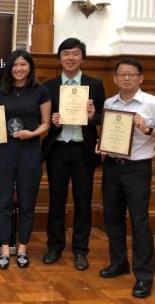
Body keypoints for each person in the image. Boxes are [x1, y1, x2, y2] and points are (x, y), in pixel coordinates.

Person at [99, 58, 155, 298]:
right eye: (122, 74)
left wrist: (148, 129)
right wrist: (101, 144)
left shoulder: (153, 103)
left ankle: (144, 276)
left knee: (139, 221)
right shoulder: (109, 103)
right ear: (115, 79)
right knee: (112, 218)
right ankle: (119, 263)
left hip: (138, 169)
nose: (126, 78)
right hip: (112, 166)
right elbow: (109, 132)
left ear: (140, 78)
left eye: (131, 74)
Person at [0, 50, 51, 270]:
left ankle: (23, 248)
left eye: (23, 64)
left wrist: (32, 133)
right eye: (15, 64)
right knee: (4, 201)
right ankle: (5, 249)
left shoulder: (41, 91)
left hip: (30, 151)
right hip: (3, 151)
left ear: (30, 67)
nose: (19, 68)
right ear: (9, 68)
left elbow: (46, 123)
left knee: (27, 202)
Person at [41, 38, 106, 271]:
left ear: (82, 58)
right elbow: (41, 119)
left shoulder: (95, 84)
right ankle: (54, 247)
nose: (70, 58)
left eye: (75, 53)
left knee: (83, 201)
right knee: (56, 200)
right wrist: (53, 122)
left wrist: (92, 116)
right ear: (59, 59)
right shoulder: (48, 86)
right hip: (57, 149)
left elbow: (103, 117)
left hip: (83, 149)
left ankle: (80, 250)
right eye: (66, 53)